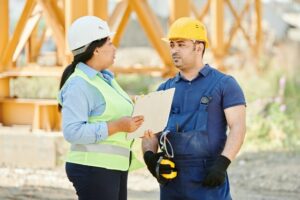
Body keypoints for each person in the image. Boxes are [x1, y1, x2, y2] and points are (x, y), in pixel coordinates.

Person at [142, 17, 246, 200]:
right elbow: (149, 133)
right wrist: (151, 159)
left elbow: (238, 126)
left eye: (181, 44)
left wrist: (222, 163)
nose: (174, 50)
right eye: (172, 45)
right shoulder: (163, 89)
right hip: (172, 180)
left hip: (209, 175)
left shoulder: (225, 84)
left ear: (198, 47)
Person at [58, 16, 144, 200]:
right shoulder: (79, 84)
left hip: (113, 167)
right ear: (96, 50)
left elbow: (112, 114)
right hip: (94, 169)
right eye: (110, 43)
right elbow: (72, 131)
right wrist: (117, 126)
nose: (114, 48)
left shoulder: (105, 79)